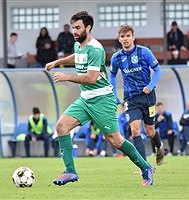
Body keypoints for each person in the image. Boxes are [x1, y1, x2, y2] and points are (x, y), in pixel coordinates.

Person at [45, 11, 155, 187]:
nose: (74, 31)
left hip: (102, 99)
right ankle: (70, 172)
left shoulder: (96, 49)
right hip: (85, 99)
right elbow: (77, 57)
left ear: (88, 28)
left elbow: (91, 78)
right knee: (61, 127)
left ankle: (146, 167)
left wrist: (66, 77)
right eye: (73, 27)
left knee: (115, 140)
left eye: (78, 27)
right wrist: (58, 62)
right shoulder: (78, 45)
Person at [110, 24, 164, 165]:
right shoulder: (116, 58)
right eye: (123, 36)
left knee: (150, 132)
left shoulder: (144, 52)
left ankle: (159, 147)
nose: (126, 39)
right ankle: (145, 168)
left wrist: (150, 86)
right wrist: (114, 95)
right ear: (119, 39)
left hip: (148, 96)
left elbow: (158, 71)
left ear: (133, 37)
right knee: (135, 131)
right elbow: (113, 75)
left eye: (128, 36)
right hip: (130, 98)